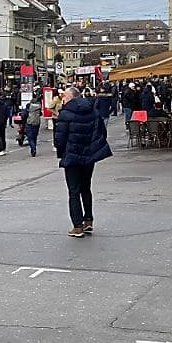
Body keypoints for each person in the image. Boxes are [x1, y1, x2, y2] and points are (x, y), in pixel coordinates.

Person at [54, 87, 113, 238]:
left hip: (72, 157)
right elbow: (102, 132)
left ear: (72, 97)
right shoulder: (93, 111)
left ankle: (77, 226)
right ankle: (88, 220)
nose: (63, 99)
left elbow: (60, 139)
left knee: (74, 191)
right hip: (89, 156)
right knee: (86, 187)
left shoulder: (65, 114)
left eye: (65, 96)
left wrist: (62, 153)